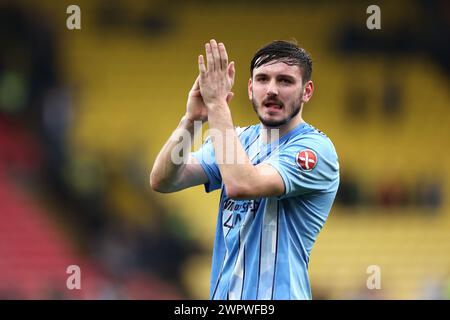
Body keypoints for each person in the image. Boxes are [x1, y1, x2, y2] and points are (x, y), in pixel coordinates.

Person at [150, 39, 339, 300]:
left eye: (285, 81)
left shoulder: (315, 149)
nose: (272, 89)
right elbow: (164, 180)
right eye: (262, 79)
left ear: (306, 91)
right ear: (250, 88)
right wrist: (192, 120)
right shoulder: (236, 141)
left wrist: (217, 105)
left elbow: (241, 185)